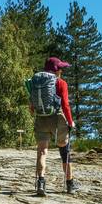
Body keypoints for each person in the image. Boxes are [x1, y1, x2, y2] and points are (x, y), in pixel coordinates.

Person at [28, 56, 76, 196]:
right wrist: (70, 121)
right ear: (56, 70)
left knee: (42, 152)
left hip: (41, 118)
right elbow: (65, 105)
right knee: (64, 151)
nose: (61, 70)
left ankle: (41, 183)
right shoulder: (60, 83)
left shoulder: (35, 82)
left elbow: (31, 107)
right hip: (57, 119)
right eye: (60, 68)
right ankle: (70, 184)